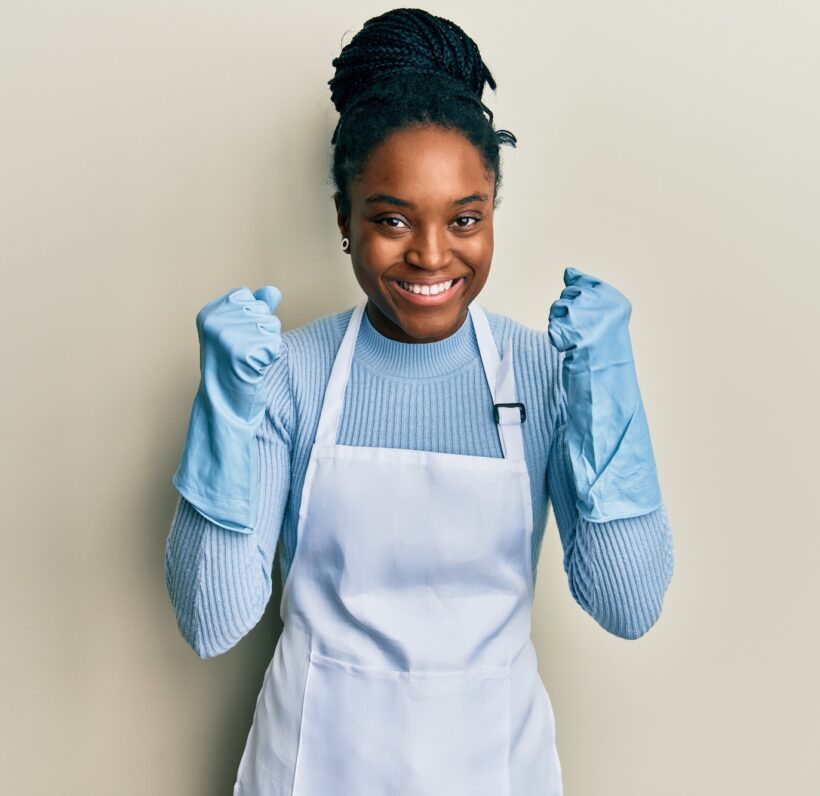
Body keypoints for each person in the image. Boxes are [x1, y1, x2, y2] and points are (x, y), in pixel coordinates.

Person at [164, 8, 674, 795]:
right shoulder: (289, 375)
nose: (432, 255)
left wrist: (608, 398)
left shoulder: (544, 372)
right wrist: (227, 411)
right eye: (392, 219)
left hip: (496, 771)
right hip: (310, 768)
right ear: (345, 220)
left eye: (464, 219)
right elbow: (211, 622)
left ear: (492, 212)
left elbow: (629, 604)